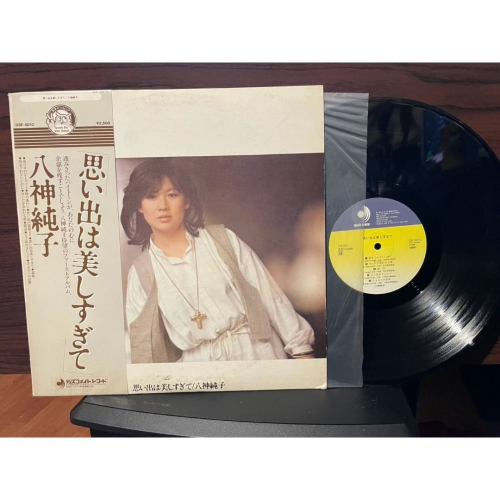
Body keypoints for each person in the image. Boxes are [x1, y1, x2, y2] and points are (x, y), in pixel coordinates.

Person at [121, 158, 316, 364]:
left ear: (186, 200)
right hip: (199, 367)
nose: (162, 206)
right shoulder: (141, 273)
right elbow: (144, 347)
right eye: (151, 196)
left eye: (172, 195)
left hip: (257, 353)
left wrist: (302, 350)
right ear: (139, 206)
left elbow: (270, 297)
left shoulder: (223, 240)